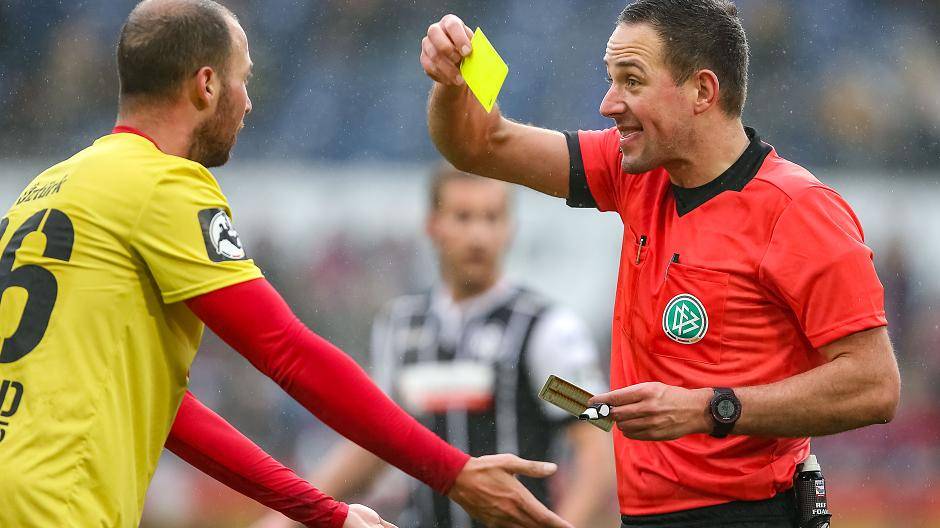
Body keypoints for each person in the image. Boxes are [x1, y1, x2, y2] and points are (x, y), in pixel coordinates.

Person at [0, 2, 576, 527]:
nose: (249, 102)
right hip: (57, 505)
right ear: (207, 84)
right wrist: (451, 472)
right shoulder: (161, 183)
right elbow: (290, 355)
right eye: (244, 79)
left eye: (490, 217)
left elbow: (167, 412)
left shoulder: (47, 189)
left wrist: (326, 514)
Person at [418, 1, 901, 527]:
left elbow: (874, 385)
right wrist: (455, 79)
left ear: (702, 91)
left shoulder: (799, 210)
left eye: (632, 81)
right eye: (611, 79)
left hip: (751, 516)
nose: (607, 104)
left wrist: (708, 409)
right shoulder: (633, 171)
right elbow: (480, 144)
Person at [257, 166, 617, 528]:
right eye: (463, 217)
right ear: (433, 225)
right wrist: (286, 518)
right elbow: (377, 444)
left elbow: (595, 433)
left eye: (492, 218)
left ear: (510, 228)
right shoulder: (401, 329)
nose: (478, 235)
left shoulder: (544, 331)